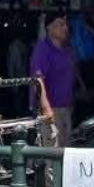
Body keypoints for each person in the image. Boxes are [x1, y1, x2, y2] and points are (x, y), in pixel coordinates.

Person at [30, 15, 81, 148]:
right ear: (49, 28)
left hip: (66, 109)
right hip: (51, 111)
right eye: (61, 25)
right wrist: (47, 110)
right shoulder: (43, 49)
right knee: (52, 155)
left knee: (66, 153)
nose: (65, 28)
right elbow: (38, 81)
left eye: (65, 25)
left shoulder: (67, 50)